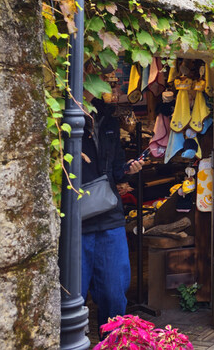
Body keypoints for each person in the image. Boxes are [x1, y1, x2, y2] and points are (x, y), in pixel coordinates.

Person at [82, 94, 144, 332]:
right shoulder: (65, 118)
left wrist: (129, 169)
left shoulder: (108, 120)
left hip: (109, 216)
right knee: (72, 293)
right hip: (78, 220)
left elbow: (117, 171)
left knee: (114, 292)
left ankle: (113, 341)